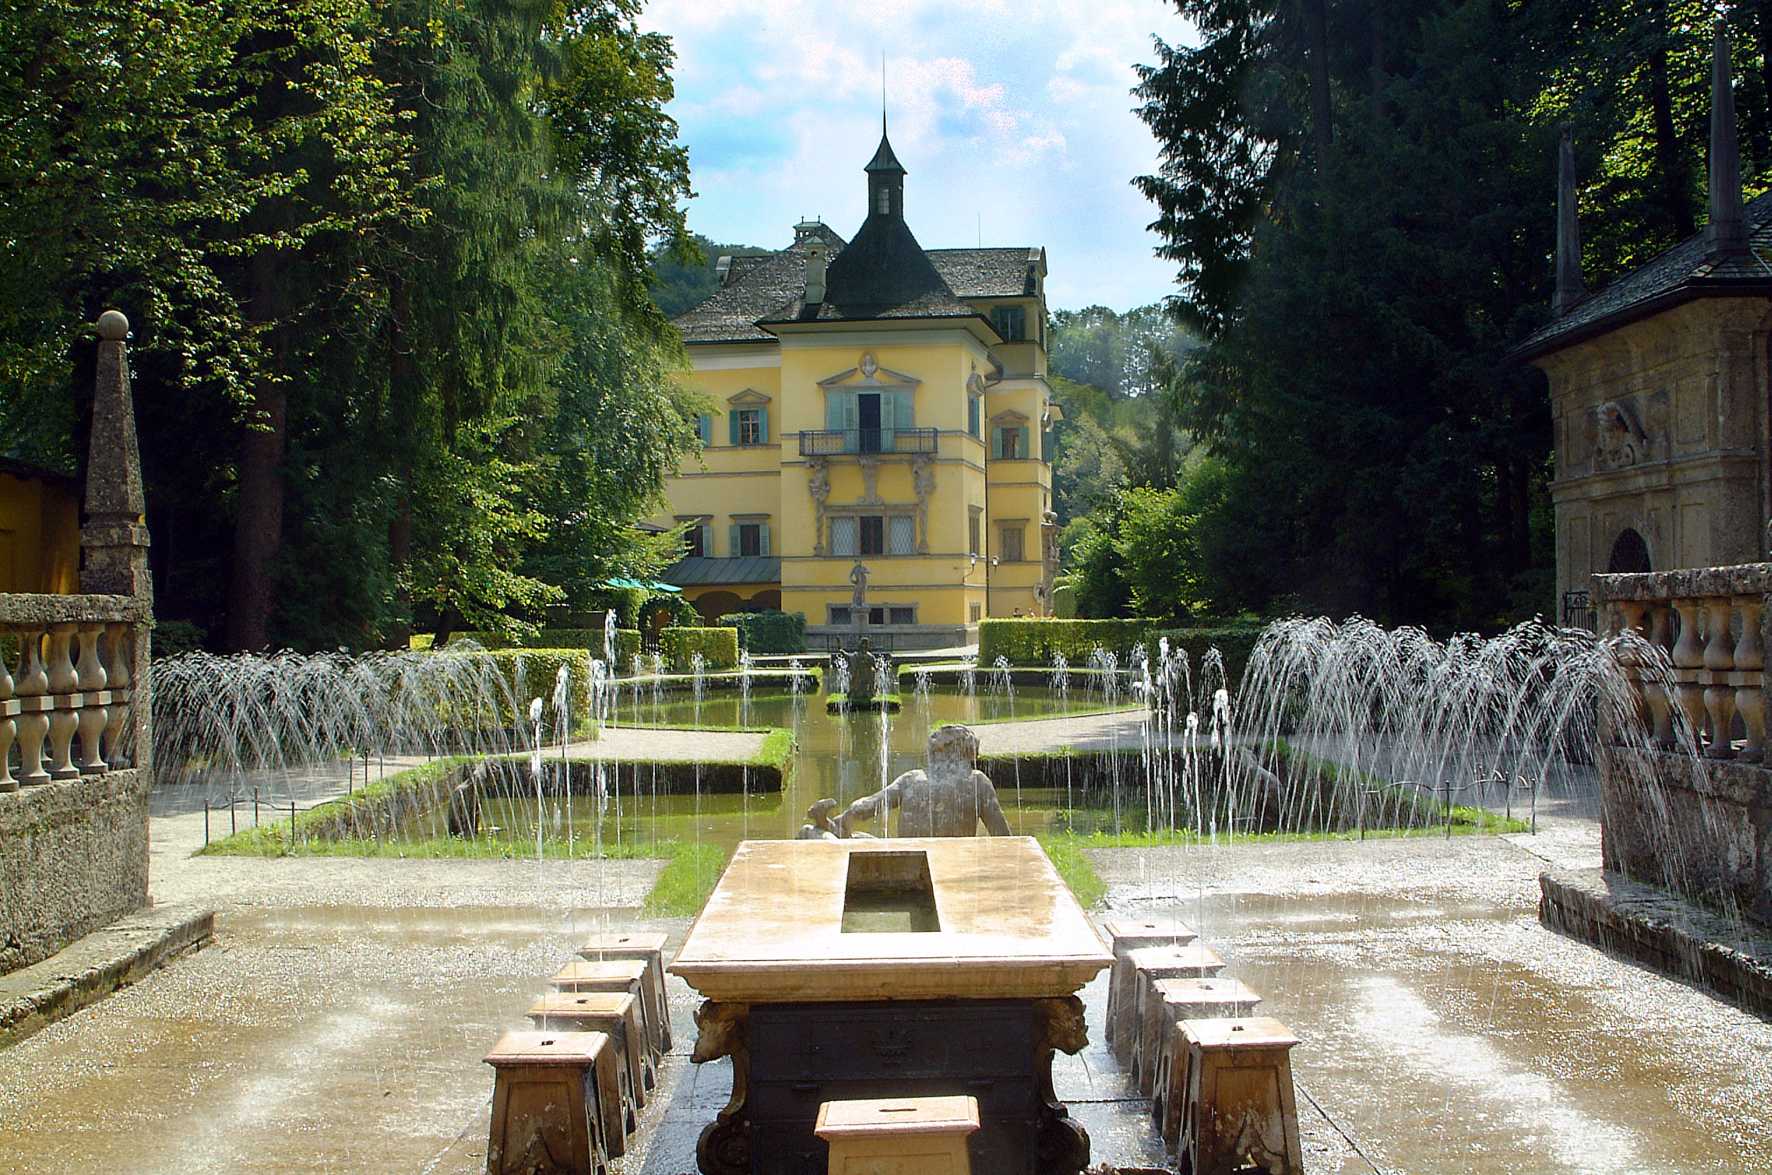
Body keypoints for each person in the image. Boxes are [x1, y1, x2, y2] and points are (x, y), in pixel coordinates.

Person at [827, 724, 1011, 838]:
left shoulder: (911, 779)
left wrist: (842, 821)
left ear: (944, 748)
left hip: (908, 865)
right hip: (955, 862)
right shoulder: (977, 782)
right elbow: (1002, 836)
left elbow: (866, 807)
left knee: (816, 833)